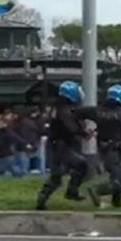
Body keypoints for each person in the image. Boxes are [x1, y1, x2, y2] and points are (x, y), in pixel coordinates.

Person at [80, 85, 121, 208]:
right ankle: (97, 190)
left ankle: (117, 202)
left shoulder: (97, 111)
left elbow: (76, 113)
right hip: (117, 149)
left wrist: (82, 130)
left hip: (103, 149)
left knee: (116, 176)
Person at [36, 81, 89, 210]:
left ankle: (42, 199)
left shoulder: (58, 108)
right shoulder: (64, 110)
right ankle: (71, 191)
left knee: (57, 175)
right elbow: (69, 127)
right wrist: (82, 132)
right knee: (81, 165)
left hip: (57, 144)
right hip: (61, 145)